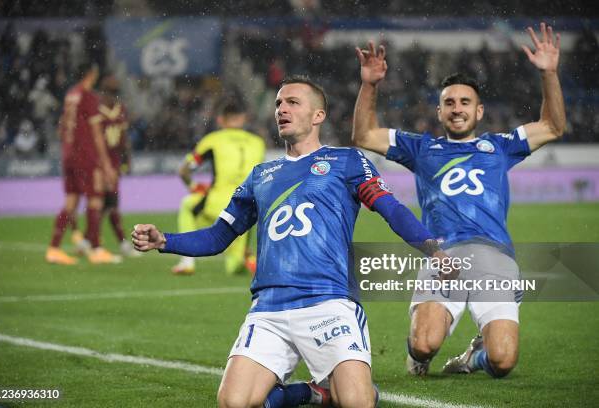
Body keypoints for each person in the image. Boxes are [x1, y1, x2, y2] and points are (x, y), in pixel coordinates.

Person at [132, 75, 453, 408]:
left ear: (318, 116)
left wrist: (433, 249)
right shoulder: (260, 175)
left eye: (292, 102)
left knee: (358, 402)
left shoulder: (347, 162)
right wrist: (164, 240)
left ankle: (323, 391)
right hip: (269, 308)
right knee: (234, 403)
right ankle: (313, 392)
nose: (281, 109)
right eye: (278, 104)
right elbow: (217, 236)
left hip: (329, 302)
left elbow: (392, 210)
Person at [352, 22, 566, 378]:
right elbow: (364, 134)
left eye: (465, 102)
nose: (457, 108)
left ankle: (472, 357)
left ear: (479, 111)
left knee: (503, 361)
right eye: (449, 103)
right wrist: (370, 84)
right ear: (439, 112)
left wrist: (550, 73)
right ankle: (418, 356)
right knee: (423, 343)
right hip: (444, 255)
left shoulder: (500, 146)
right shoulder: (421, 148)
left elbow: (553, 126)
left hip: (493, 256)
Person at [171, 98, 265, 275]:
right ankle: (247, 258)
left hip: (217, 201)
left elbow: (183, 170)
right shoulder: (257, 142)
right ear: (243, 118)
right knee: (233, 265)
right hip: (247, 206)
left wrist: (194, 186)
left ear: (220, 119)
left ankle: (187, 262)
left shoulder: (213, 140)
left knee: (188, 206)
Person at [45, 62, 120, 265]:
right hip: (85, 157)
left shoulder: (71, 94)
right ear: (91, 74)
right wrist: (106, 165)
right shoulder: (88, 97)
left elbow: (62, 128)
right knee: (95, 200)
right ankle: (95, 250)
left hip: (68, 154)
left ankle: (53, 248)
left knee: (71, 202)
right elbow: (96, 135)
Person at [72, 74, 138, 258]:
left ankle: (88, 240)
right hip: (98, 161)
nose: (111, 97)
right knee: (105, 203)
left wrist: (126, 159)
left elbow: (123, 138)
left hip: (114, 162)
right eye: (110, 93)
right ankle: (106, 244)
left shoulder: (119, 109)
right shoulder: (96, 110)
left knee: (107, 204)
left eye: (114, 93)